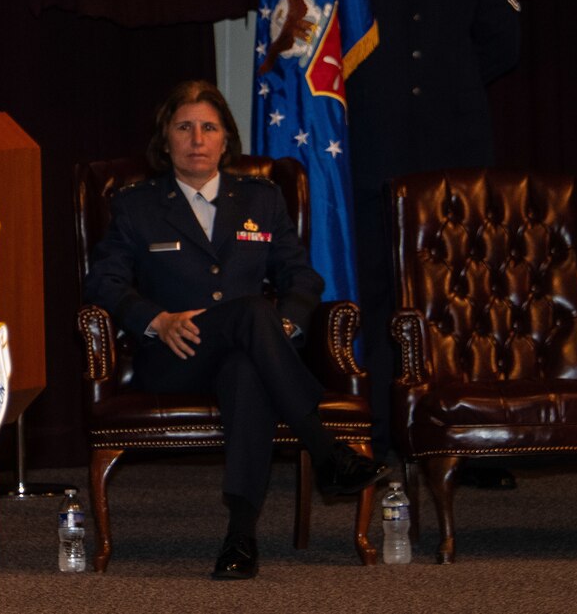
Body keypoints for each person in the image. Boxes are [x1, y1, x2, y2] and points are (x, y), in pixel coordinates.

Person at [84, 81, 388, 580]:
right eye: (184, 128)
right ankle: (325, 448)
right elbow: (104, 281)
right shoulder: (135, 206)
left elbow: (302, 276)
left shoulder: (261, 199)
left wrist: (285, 320)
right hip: (175, 357)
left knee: (248, 365)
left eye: (209, 127)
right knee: (250, 314)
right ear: (166, 140)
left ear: (227, 140)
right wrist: (157, 321)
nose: (197, 139)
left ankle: (240, 537)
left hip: (251, 353)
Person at [347, 0, 520, 483]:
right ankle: (385, 433)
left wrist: (449, 82)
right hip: (374, 150)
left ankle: (464, 438)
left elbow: (505, 42)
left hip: (455, 151)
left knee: (457, 295)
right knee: (383, 295)